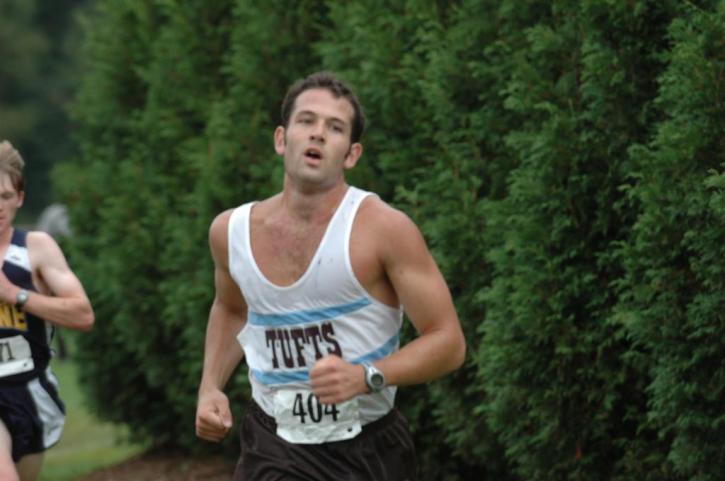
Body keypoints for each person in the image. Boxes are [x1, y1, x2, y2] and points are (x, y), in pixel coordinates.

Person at [195, 72, 465, 481]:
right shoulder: (230, 232)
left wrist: (368, 376)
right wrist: (210, 386)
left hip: (368, 448)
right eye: (307, 121)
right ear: (281, 139)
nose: (318, 134)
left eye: (334, 128)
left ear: (351, 154)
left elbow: (448, 341)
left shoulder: (384, 229)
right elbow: (232, 309)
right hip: (272, 441)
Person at [0, 140, 95, 481]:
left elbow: (82, 314)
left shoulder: (36, 249)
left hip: (28, 390)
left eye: (5, 196)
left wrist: (15, 294)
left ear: (20, 199)